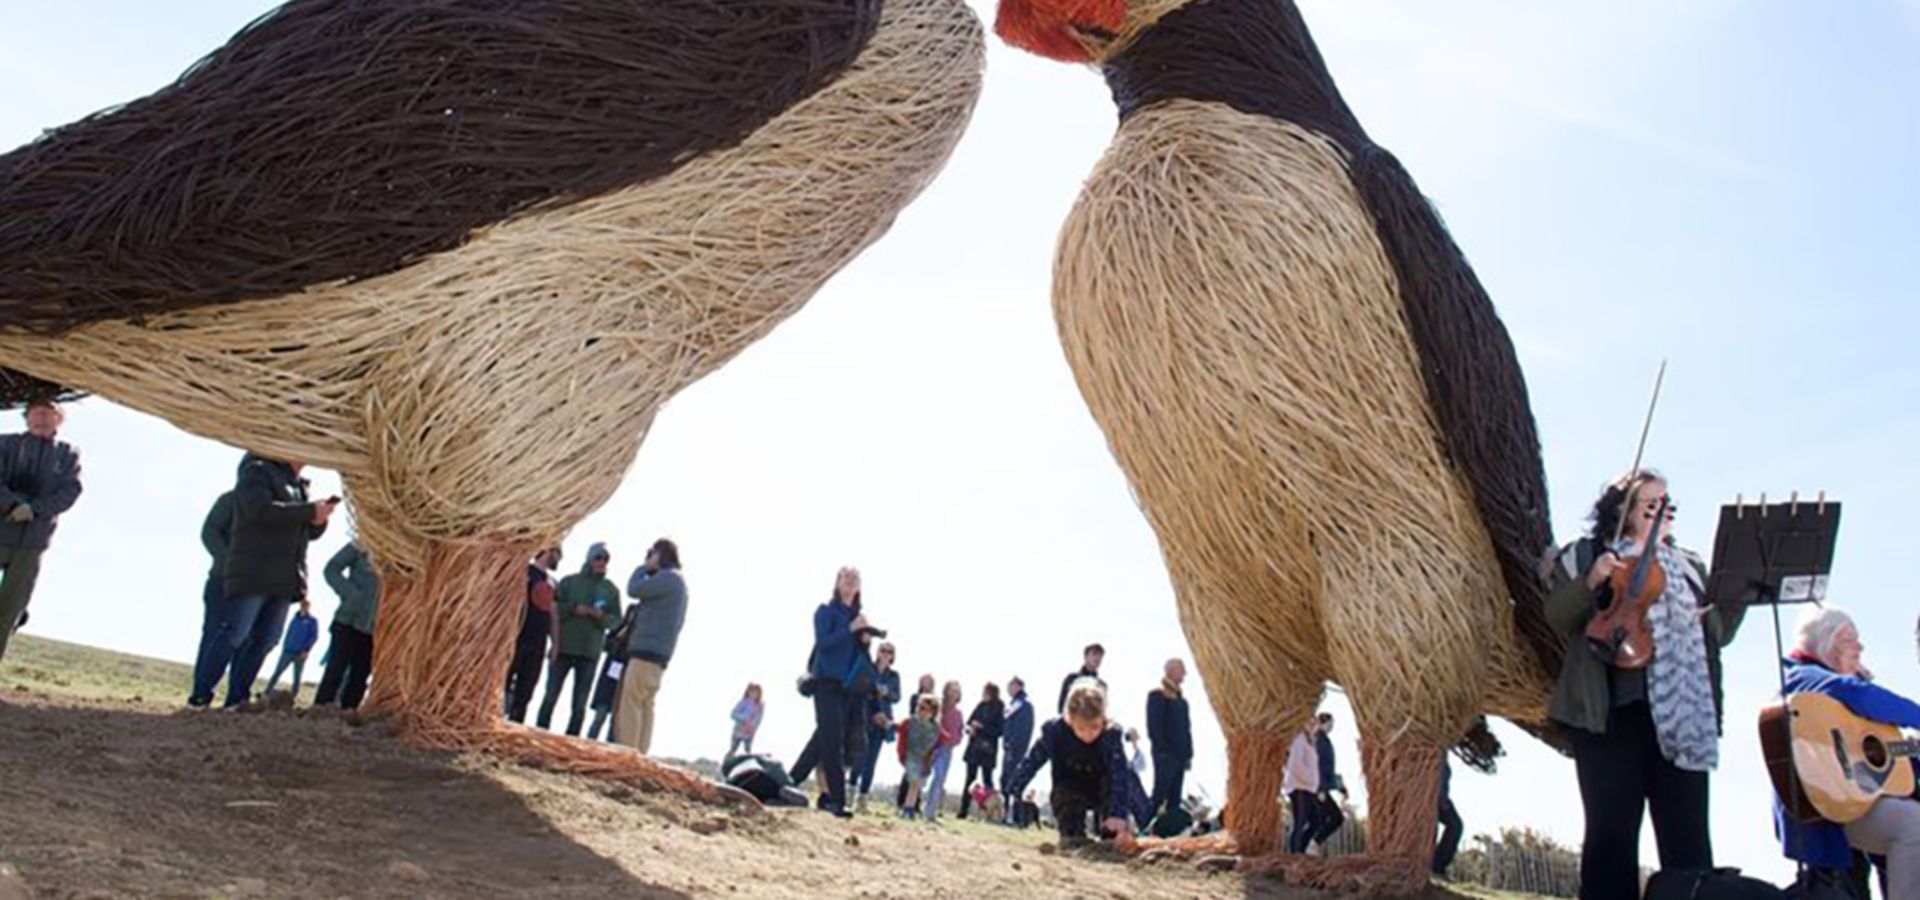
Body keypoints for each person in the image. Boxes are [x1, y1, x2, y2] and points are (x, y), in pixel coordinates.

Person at [1544, 470, 1745, 900]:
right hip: (1610, 716)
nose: (1662, 513)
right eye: (1651, 504)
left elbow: (1721, 632)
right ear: (1623, 510)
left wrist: (1724, 603)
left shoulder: (1688, 566)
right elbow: (1559, 617)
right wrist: (1592, 581)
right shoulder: (1587, 554)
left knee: (1689, 843)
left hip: (1681, 715)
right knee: (1611, 838)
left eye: (1667, 506)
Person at [1776, 606, 1920, 900]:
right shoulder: (1804, 678)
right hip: (1827, 811)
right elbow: (1857, 694)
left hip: (1857, 799)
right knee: (1913, 824)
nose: (1860, 647)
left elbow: (1881, 755)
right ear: (1825, 645)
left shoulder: (1838, 695)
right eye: (1849, 640)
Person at [201, 454, 334, 708]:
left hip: (284, 578)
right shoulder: (258, 472)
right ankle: (201, 696)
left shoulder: (300, 486)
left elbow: (302, 530)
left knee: (266, 639)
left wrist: (319, 520)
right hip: (254, 571)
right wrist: (307, 511)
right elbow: (259, 511)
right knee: (234, 634)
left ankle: (238, 699)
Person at [1005, 677, 1139, 848]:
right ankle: (1073, 835)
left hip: (1102, 787)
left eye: (1095, 727)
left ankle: (1111, 837)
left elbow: (1120, 774)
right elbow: (1032, 760)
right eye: (1082, 728)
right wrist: (1015, 788)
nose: (1088, 735)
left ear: (1103, 719)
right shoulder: (1054, 732)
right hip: (1070, 786)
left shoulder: (1111, 735)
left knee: (1114, 823)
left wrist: (1118, 814)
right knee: (1070, 827)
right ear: (1070, 719)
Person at [0, 399, 83, 662]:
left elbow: (69, 492)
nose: (41, 418)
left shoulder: (68, 454)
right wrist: (13, 504)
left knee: (10, 611)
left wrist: (33, 509)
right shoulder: (6, 444)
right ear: (25, 417)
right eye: (35, 413)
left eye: (48, 413)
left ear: (59, 419)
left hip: (33, 542)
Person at [798, 566, 871, 818]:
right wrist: (850, 629)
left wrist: (864, 642)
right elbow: (824, 644)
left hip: (848, 689)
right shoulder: (825, 611)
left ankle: (789, 782)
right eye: (846, 578)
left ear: (859, 587)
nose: (850, 582)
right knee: (833, 743)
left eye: (855, 579)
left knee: (821, 741)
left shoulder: (859, 617)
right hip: (825, 683)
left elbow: (860, 660)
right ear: (838, 583)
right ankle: (837, 801)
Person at [615, 538, 688, 753]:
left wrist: (644, 567)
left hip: (645, 651)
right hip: (660, 655)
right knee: (646, 705)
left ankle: (627, 753)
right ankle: (640, 753)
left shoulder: (667, 579)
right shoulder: (679, 583)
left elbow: (634, 589)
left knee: (631, 702)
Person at [538, 542, 619, 736]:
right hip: (564, 647)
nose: (602, 562)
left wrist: (601, 617)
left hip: (589, 653)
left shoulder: (611, 590)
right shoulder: (568, 582)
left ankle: (570, 741)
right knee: (550, 696)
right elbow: (553, 608)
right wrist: (573, 609)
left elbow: (616, 621)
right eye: (598, 557)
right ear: (589, 558)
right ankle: (538, 734)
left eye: (606, 559)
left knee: (579, 704)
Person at [313, 540, 379, 709]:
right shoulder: (362, 543)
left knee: (360, 677)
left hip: (376, 628)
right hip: (348, 619)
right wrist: (350, 594)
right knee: (334, 670)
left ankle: (347, 719)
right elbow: (332, 568)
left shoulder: (404, 550)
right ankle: (319, 714)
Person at [188, 488, 237, 706]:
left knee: (245, 639)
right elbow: (209, 532)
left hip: (257, 584)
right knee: (214, 633)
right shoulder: (231, 500)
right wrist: (229, 562)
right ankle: (200, 693)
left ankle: (235, 699)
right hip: (222, 580)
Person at [505, 546, 562, 723]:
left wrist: (555, 643)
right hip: (518, 634)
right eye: (557, 553)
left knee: (527, 686)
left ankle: (515, 723)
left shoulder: (552, 582)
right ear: (548, 551)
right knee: (505, 679)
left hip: (538, 640)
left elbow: (553, 613)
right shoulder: (524, 571)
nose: (559, 558)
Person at [853, 641, 901, 810]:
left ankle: (862, 798)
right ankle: (849, 791)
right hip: (865, 717)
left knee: (871, 761)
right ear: (877, 652)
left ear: (893, 656)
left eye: (889, 651)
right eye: (883, 650)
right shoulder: (868, 668)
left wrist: (887, 692)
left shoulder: (894, 676)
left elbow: (897, 697)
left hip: (883, 722)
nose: (885, 654)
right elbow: (860, 689)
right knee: (858, 757)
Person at [1146, 659, 1193, 826]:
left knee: (1175, 797)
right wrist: (1163, 751)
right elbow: (1154, 727)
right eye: (1182, 670)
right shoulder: (1157, 695)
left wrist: (1188, 755)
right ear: (1171, 671)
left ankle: (1171, 833)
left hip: (1180, 756)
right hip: (1165, 755)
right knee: (1159, 794)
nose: (1184, 674)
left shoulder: (1182, 701)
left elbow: (1187, 729)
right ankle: (1145, 826)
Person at [959, 682, 1005, 819]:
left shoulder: (999, 707)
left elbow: (999, 730)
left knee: (987, 780)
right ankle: (963, 811)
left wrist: (982, 727)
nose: (983, 694)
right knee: (969, 779)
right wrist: (970, 728)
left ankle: (990, 812)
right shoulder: (980, 705)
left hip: (988, 749)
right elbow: (969, 721)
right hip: (974, 747)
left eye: (985, 692)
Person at [262, 600, 320, 702]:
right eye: (302, 605)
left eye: (306, 606)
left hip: (300, 653)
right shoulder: (294, 619)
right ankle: (266, 692)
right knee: (277, 672)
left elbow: (313, 637)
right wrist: (284, 647)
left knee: (297, 677)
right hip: (288, 651)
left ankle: (293, 697)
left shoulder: (312, 621)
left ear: (309, 607)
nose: (304, 607)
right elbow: (288, 634)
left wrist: (306, 650)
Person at [896, 672, 937, 810]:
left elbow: (940, 734)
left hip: (925, 752)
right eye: (925, 682)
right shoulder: (915, 699)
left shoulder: (935, 704)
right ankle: (903, 803)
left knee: (919, 780)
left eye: (930, 682)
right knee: (909, 777)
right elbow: (904, 724)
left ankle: (913, 806)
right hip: (912, 747)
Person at [898, 695, 942, 820]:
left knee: (917, 785)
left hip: (925, 760)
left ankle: (910, 808)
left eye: (924, 709)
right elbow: (900, 728)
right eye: (919, 707)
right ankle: (907, 808)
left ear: (932, 713)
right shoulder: (910, 722)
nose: (920, 711)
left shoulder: (935, 728)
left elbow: (941, 739)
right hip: (911, 756)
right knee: (914, 783)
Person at [926, 680, 964, 822]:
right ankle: (910, 805)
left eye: (956, 691)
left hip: (947, 749)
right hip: (933, 745)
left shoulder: (958, 713)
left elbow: (960, 731)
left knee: (939, 779)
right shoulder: (939, 706)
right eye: (951, 690)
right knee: (921, 777)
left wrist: (956, 740)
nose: (953, 693)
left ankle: (930, 812)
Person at [1282, 717, 1321, 854]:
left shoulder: (1310, 742)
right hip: (1299, 787)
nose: (1312, 726)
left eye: (1314, 723)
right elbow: (1295, 764)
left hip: (1308, 788)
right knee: (1300, 822)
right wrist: (1309, 778)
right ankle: (1295, 854)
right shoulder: (1299, 740)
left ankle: (1300, 850)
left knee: (1316, 819)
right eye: (1309, 722)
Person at [1311, 711, 1347, 852]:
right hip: (1318, 788)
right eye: (1331, 724)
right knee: (1336, 817)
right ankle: (1313, 844)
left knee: (1323, 818)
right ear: (1324, 723)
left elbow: (1328, 770)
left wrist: (1340, 786)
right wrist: (1320, 789)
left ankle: (1311, 847)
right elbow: (1318, 766)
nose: (1332, 727)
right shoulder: (1319, 741)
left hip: (1321, 786)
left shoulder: (1323, 740)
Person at [1001, 676, 1035, 822]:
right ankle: (1005, 813)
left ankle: (1015, 817)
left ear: (1018, 686)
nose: (1008, 689)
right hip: (1009, 748)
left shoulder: (1024, 705)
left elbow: (1023, 730)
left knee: (1013, 782)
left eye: (1011, 686)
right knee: (1005, 780)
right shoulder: (1013, 704)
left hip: (1016, 750)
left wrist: (1013, 747)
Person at [1434, 756, 1463, 877]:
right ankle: (1436, 866)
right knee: (1455, 825)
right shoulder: (1434, 751)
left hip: (1439, 797)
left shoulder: (1441, 752)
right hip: (1433, 796)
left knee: (1455, 826)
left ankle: (1437, 865)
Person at [1057, 642, 1106, 714]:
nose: (1097, 658)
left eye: (1100, 656)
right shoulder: (1072, 679)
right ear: (1085, 656)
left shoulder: (1101, 685)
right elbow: (1062, 706)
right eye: (1094, 654)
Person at [728, 683, 764, 758]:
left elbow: (758, 719)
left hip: (749, 731)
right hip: (739, 729)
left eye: (756, 693)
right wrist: (743, 719)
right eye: (752, 692)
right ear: (748, 692)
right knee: (733, 748)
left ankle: (749, 764)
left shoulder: (759, 706)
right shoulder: (743, 702)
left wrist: (752, 726)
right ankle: (726, 762)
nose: (754, 694)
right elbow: (733, 714)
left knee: (748, 750)